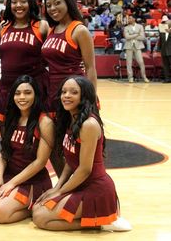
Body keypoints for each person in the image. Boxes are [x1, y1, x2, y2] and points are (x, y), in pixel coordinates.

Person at [32, 76, 131, 232]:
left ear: (84, 96)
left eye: (73, 92)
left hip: (96, 189)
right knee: (37, 209)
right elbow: (70, 162)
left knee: (41, 218)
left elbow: (85, 169)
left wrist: (59, 192)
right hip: (80, 184)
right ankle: (96, 220)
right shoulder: (70, 119)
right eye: (64, 92)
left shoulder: (88, 125)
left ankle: (101, 222)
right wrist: (57, 186)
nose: (66, 96)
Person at [0, 75, 54, 223]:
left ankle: (33, 206)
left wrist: (11, 184)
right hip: (9, 176)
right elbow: (4, 151)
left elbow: (40, 162)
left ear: (36, 95)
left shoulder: (44, 122)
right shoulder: (11, 117)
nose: (22, 97)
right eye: (17, 93)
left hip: (32, 180)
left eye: (27, 92)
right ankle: (12, 201)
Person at [0, 0, 49, 137]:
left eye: (23, 1)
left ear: (30, 3)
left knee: (38, 140)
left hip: (34, 89)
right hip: (7, 89)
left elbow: (50, 53)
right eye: (14, 2)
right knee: (7, 141)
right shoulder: (2, 27)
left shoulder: (41, 26)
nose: (18, 5)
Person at [41, 0, 97, 110]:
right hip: (52, 90)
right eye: (49, 5)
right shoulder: (52, 29)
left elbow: (90, 68)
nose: (52, 8)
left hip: (72, 91)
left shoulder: (79, 30)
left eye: (57, 3)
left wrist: (91, 99)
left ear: (68, 3)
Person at [123, 15, 150, 83]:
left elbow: (142, 37)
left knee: (141, 62)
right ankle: (130, 77)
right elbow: (127, 37)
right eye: (128, 18)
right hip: (129, 46)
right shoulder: (126, 28)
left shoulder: (140, 26)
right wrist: (136, 34)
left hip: (138, 46)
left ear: (134, 19)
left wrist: (132, 36)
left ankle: (144, 77)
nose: (129, 19)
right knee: (129, 63)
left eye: (130, 18)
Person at [158, 15, 171, 82]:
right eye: (163, 22)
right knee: (165, 66)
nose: (164, 23)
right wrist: (158, 49)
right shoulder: (162, 32)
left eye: (165, 22)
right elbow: (160, 41)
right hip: (164, 51)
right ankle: (167, 78)